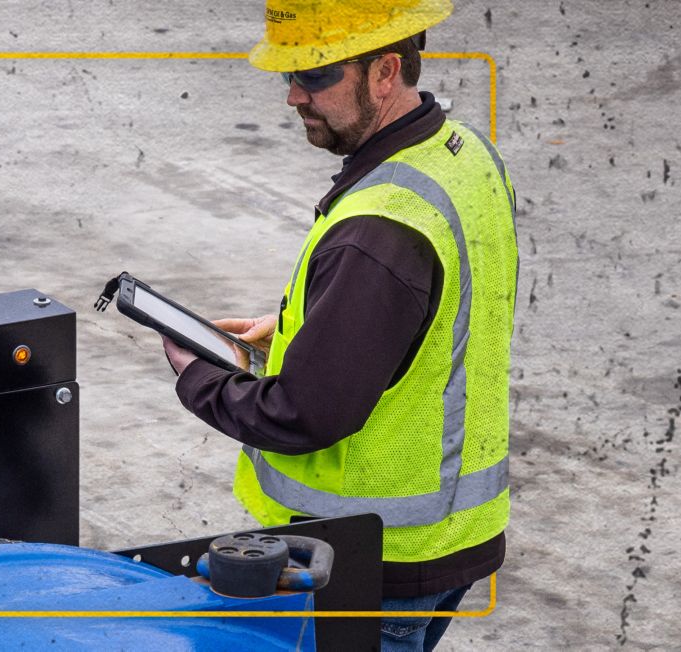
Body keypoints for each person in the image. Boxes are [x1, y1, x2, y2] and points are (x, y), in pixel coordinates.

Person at [160, 1, 518, 649]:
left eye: (317, 75)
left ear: (385, 71)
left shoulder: (377, 233)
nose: (295, 95)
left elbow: (302, 416)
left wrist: (197, 376)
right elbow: (446, 309)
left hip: (375, 559)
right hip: (451, 536)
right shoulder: (463, 155)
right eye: (288, 75)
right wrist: (312, 327)